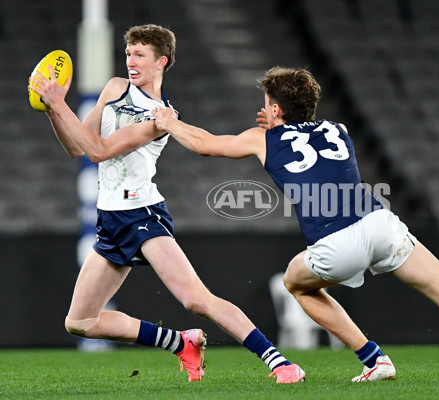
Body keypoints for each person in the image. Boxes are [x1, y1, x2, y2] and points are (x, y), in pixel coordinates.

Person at [152, 66, 439, 382]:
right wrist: (279, 123)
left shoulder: (261, 137)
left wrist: (170, 122)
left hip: (335, 244)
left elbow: (206, 144)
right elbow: (302, 137)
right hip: (382, 226)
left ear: (276, 109)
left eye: (267, 106)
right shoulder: (338, 130)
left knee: (294, 282)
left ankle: (374, 359)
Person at [28, 25, 304, 384]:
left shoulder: (160, 116)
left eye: (139, 54)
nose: (131, 60)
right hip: (111, 218)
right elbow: (77, 147)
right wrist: (53, 110)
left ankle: (279, 362)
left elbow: (99, 151)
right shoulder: (114, 88)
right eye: (128, 53)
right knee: (80, 322)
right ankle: (181, 343)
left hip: (142, 214)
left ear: (162, 61)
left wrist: (59, 103)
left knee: (196, 300)